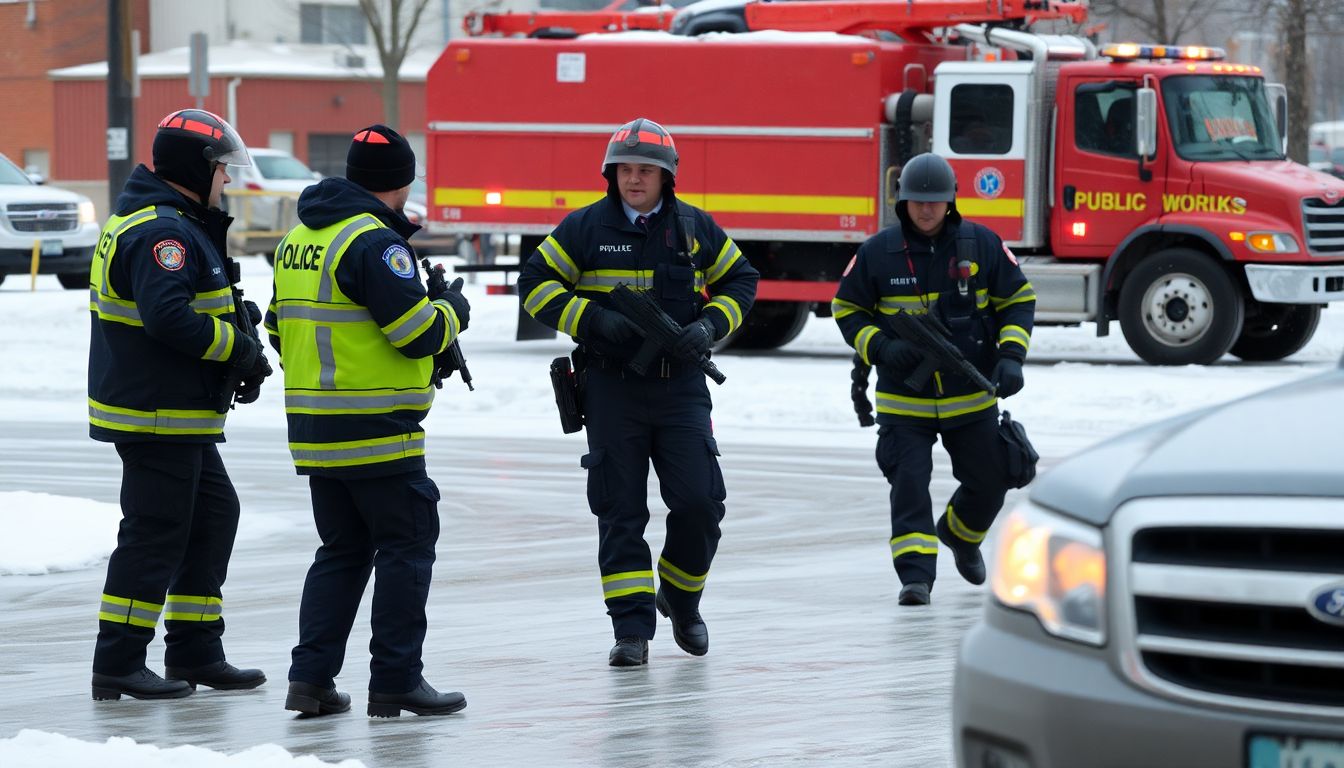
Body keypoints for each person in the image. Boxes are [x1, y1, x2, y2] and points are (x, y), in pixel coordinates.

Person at [517, 118, 759, 666]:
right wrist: (594, 320)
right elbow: (534, 285)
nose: (634, 179)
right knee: (620, 510)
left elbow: (742, 280)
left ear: (665, 177)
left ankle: (681, 596)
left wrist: (710, 325)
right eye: (625, 169)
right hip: (611, 388)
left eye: (644, 170)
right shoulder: (583, 227)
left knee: (701, 502)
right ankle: (631, 629)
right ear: (611, 174)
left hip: (682, 391)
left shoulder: (694, 227)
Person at [265, 124, 471, 718]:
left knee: (341, 550)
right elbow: (416, 335)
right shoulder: (376, 243)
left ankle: (310, 679)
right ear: (402, 182)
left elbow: (279, 327)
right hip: (379, 430)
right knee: (407, 547)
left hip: (315, 429)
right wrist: (452, 311)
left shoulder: (301, 238)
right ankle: (397, 679)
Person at [87, 108, 272, 700]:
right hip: (156, 411)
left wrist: (235, 342)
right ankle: (118, 661)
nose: (227, 181)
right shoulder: (164, 232)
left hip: (175, 409)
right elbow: (169, 318)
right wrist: (239, 352)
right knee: (156, 531)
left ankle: (194, 652)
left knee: (213, 517)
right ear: (198, 170)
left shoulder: (164, 220)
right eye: (221, 170)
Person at [832, 152, 1036, 607]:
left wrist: (1012, 356)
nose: (926, 210)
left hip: (971, 394)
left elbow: (1019, 299)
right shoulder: (876, 253)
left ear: (951, 202)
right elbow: (846, 310)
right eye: (917, 202)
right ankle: (916, 577)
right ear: (902, 203)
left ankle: (961, 535)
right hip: (905, 400)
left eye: (935, 201)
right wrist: (882, 348)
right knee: (909, 483)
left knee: (993, 477)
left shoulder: (981, 245)